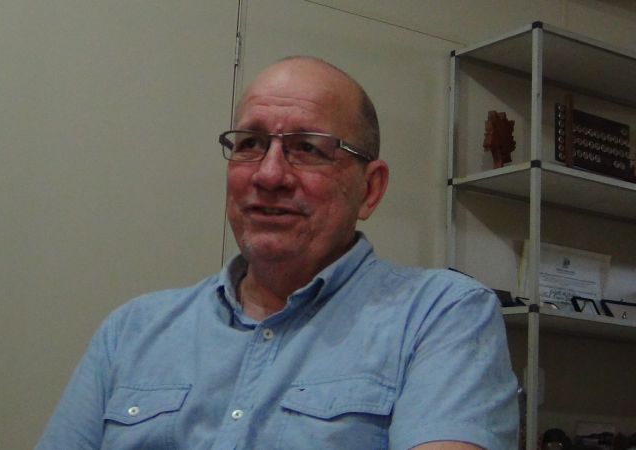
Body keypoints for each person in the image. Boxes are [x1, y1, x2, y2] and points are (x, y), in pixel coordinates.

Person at [36, 56, 518, 450]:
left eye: (307, 148)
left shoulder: (440, 316)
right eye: (250, 143)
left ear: (370, 190)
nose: (269, 175)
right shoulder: (132, 332)